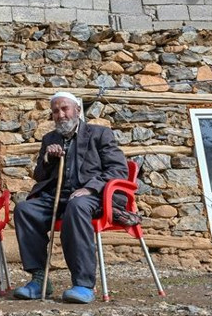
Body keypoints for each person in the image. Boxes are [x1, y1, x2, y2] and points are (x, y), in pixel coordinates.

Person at [12, 91, 128, 304]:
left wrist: (91, 189)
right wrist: (48, 158)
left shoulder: (99, 134)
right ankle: (40, 279)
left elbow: (119, 170)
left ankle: (83, 284)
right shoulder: (50, 139)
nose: (61, 114)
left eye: (65, 108)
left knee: (76, 206)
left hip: (94, 197)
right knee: (24, 209)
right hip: (58, 196)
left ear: (77, 110)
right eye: (56, 111)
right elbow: (40, 175)